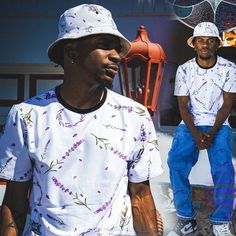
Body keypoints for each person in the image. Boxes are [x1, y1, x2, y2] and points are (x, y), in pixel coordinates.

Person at [0, 4, 164, 236]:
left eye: (117, 48)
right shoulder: (28, 116)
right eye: (105, 46)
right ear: (71, 52)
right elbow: (15, 203)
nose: (116, 56)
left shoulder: (134, 117)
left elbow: (140, 196)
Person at [167, 22, 236, 236]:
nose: (204, 44)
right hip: (190, 124)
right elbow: (182, 106)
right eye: (200, 40)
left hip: (219, 123)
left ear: (217, 44)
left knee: (224, 168)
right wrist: (196, 134)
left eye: (209, 40)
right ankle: (186, 219)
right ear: (194, 44)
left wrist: (212, 133)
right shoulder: (184, 69)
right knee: (175, 162)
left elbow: (227, 104)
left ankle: (220, 221)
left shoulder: (229, 68)